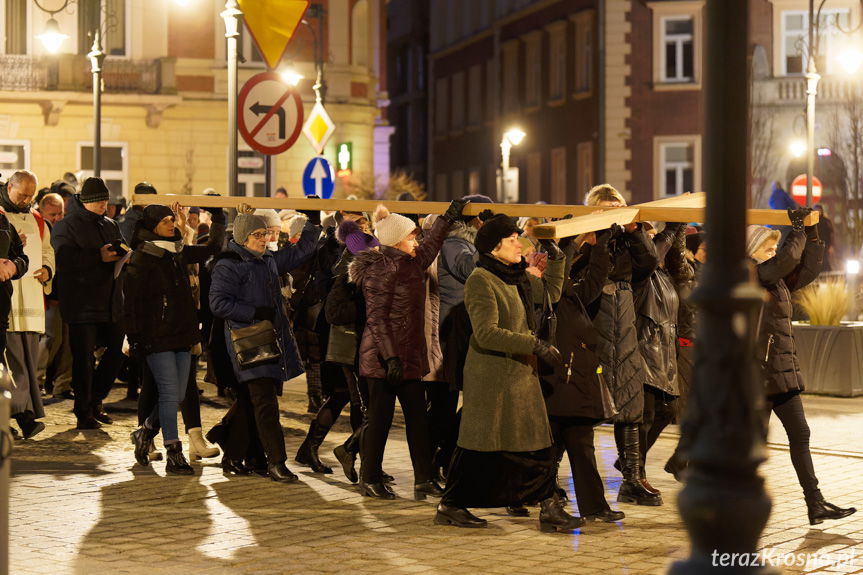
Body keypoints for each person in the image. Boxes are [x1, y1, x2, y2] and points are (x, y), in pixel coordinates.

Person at [434, 214, 581, 532]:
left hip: (519, 373)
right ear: (494, 247)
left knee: (538, 443)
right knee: (480, 447)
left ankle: (549, 506)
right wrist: (534, 344)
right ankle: (451, 504)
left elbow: (550, 295)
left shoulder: (516, 276)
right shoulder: (481, 280)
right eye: (513, 240)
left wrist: (557, 258)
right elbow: (486, 333)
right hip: (493, 377)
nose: (520, 244)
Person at [348, 200, 467, 499]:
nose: (417, 240)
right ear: (397, 241)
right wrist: (390, 358)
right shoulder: (379, 270)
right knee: (379, 420)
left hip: (409, 356)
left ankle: (423, 479)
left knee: (417, 420)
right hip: (382, 360)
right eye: (412, 236)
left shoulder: (411, 263)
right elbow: (377, 321)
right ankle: (370, 477)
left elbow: (431, 246)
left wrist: (448, 218)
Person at [748, 212, 857, 526]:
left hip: (780, 371)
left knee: (801, 433)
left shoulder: (775, 278)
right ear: (754, 249)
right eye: (769, 248)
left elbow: (808, 268)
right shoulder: (751, 273)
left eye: (774, 248)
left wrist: (812, 234)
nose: (774, 252)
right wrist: (796, 230)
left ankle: (815, 503)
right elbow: (785, 261)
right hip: (759, 375)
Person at [209, 212, 319, 482]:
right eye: (257, 235)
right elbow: (218, 304)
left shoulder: (267, 259)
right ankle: (276, 462)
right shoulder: (230, 264)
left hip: (271, 341)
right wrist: (254, 311)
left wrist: (313, 224)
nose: (264, 239)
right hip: (249, 343)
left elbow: (301, 252)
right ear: (243, 238)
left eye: (265, 234)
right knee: (265, 404)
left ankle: (234, 454)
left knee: (250, 403)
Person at [580, 184, 660, 506]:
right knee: (578, 409)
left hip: (624, 327)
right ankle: (552, 478)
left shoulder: (628, 242)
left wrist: (633, 230)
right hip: (593, 327)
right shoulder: (583, 240)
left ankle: (632, 478)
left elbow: (649, 262)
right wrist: (596, 238)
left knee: (630, 404)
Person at [542, 226, 625, 523]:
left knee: (581, 446)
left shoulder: (572, 296)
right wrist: (565, 242)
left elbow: (595, 278)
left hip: (576, 382)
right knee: (550, 449)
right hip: (556, 380)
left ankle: (594, 506)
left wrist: (601, 245)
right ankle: (544, 501)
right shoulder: (545, 298)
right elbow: (558, 273)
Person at [124, 204, 214, 474]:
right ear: (152, 225)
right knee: (168, 392)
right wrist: (136, 338)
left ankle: (145, 431)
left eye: (171, 221)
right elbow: (132, 304)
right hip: (157, 334)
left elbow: (211, 248)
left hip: (182, 331)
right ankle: (174, 450)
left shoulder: (176, 252)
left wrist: (217, 218)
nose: (171, 225)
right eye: (166, 221)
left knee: (175, 394)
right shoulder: (142, 257)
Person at [51, 177, 127, 430]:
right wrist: (98, 256)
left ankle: (96, 399)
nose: (105, 205)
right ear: (86, 202)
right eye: (99, 201)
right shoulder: (66, 226)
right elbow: (63, 259)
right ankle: (83, 411)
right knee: (83, 359)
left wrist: (123, 256)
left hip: (110, 300)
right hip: (82, 302)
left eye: (106, 200)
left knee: (116, 352)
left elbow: (117, 250)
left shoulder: (111, 225)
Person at [435, 194, 494, 478]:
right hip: (450, 333)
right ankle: (440, 460)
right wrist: (490, 241)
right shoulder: (455, 243)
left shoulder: (466, 243)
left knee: (467, 400)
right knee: (445, 403)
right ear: (475, 220)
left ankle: (445, 458)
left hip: (462, 330)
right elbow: (470, 270)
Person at [0, 171, 54, 439]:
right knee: (12, 364)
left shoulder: (36, 219)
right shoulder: (1, 215)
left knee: (28, 362)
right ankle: (21, 415)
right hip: (7, 298)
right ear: (9, 187)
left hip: (30, 297)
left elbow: (47, 250)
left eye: (31, 196)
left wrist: (47, 269)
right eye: (22, 195)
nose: (26, 201)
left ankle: (24, 414)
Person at [36, 193, 73, 399]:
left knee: (67, 342)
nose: (58, 217)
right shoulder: (41, 228)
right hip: (51, 294)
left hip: (66, 293)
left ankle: (62, 385)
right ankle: (37, 381)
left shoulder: (63, 229)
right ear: (42, 212)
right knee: (50, 339)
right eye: (53, 214)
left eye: (61, 213)